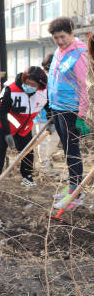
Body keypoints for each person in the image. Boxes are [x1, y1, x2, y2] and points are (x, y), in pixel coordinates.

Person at [46, 17, 91, 209]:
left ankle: (76, 195)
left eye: (62, 37)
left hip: (71, 110)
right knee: (66, 150)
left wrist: (82, 114)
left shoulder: (80, 54)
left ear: (71, 33)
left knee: (72, 152)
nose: (59, 41)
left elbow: (85, 86)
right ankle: (72, 187)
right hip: (57, 107)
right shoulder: (59, 51)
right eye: (56, 38)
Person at [0, 67, 50, 190]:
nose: (28, 86)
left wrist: (53, 121)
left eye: (33, 84)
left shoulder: (43, 93)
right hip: (4, 124)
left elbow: (50, 108)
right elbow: (2, 112)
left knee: (27, 151)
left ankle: (27, 177)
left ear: (39, 85)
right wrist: (7, 134)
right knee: (0, 150)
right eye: (26, 82)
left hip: (24, 127)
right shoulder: (11, 90)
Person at [33, 54, 59, 172]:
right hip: (41, 115)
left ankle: (47, 157)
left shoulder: (58, 78)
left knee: (55, 138)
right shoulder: (42, 79)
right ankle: (44, 161)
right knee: (41, 140)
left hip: (56, 114)